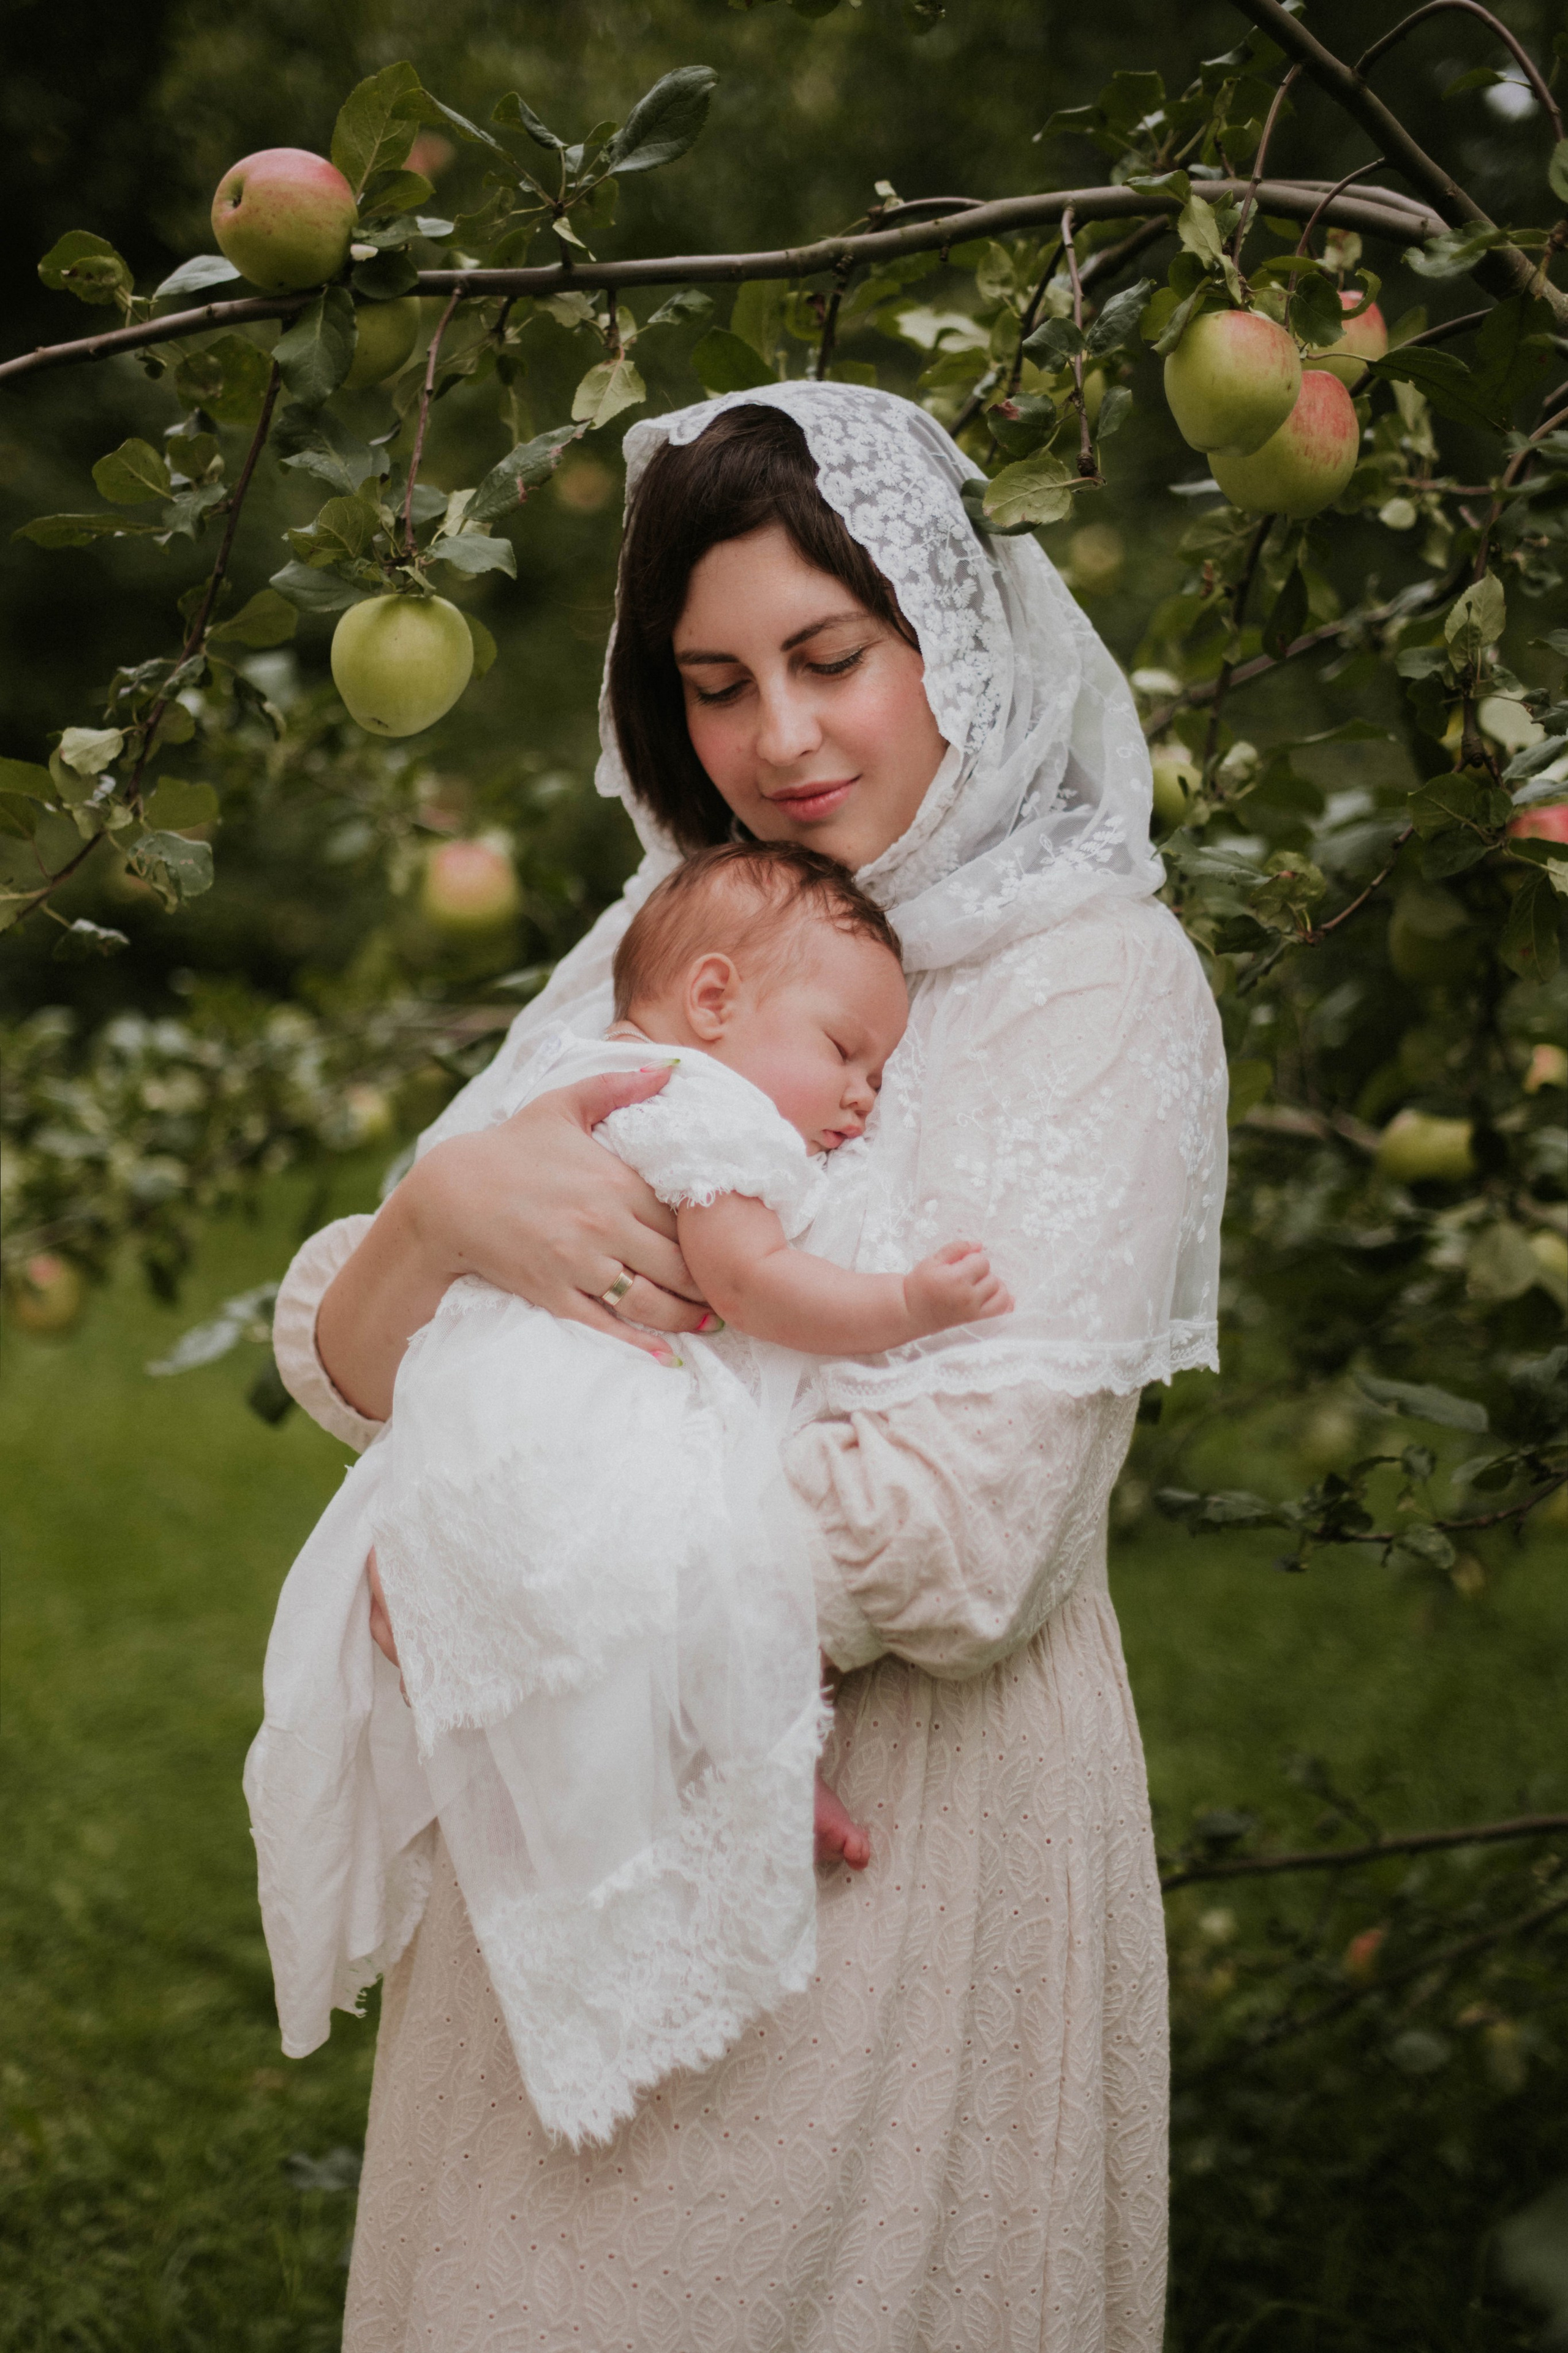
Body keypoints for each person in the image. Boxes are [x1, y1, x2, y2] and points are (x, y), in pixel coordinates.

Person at [271, 383, 1227, 2352]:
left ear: (949, 637)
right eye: (715, 684)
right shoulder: (683, 937)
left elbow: (964, 1540)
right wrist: (448, 1214)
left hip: (901, 1842)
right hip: (576, 1791)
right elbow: (360, 1362)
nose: (777, 741)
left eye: (830, 658)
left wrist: (485, 1560)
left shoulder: (1094, 981)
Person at [247, 842, 1012, 2150]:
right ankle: (734, 1804)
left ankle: (707, 1799)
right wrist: (904, 1307)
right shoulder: (698, 1111)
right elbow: (752, 1280)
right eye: (844, 1050)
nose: (862, 1094)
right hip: (579, 1422)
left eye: (878, 1070)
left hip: (493, 1415)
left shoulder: (578, 1075)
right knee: (682, 1603)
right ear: (712, 1001)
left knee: (600, 1701)